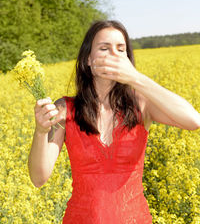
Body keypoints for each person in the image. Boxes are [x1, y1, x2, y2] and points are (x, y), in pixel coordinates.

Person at [28, 20, 200, 224]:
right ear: (89, 59)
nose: (114, 55)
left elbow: (193, 120)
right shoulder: (65, 108)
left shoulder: (141, 104)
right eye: (104, 48)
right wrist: (40, 131)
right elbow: (39, 178)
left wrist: (136, 78)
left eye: (121, 49)